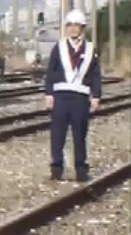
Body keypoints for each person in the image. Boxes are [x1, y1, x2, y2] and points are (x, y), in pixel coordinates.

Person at [43, 9, 102, 182]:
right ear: (66, 27)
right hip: (60, 96)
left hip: (81, 98)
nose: (73, 29)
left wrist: (96, 95)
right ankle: (56, 168)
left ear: (82, 28)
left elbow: (96, 74)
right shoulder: (59, 47)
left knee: (79, 135)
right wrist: (48, 94)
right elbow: (50, 72)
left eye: (77, 26)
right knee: (58, 134)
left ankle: (81, 168)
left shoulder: (90, 49)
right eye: (70, 25)